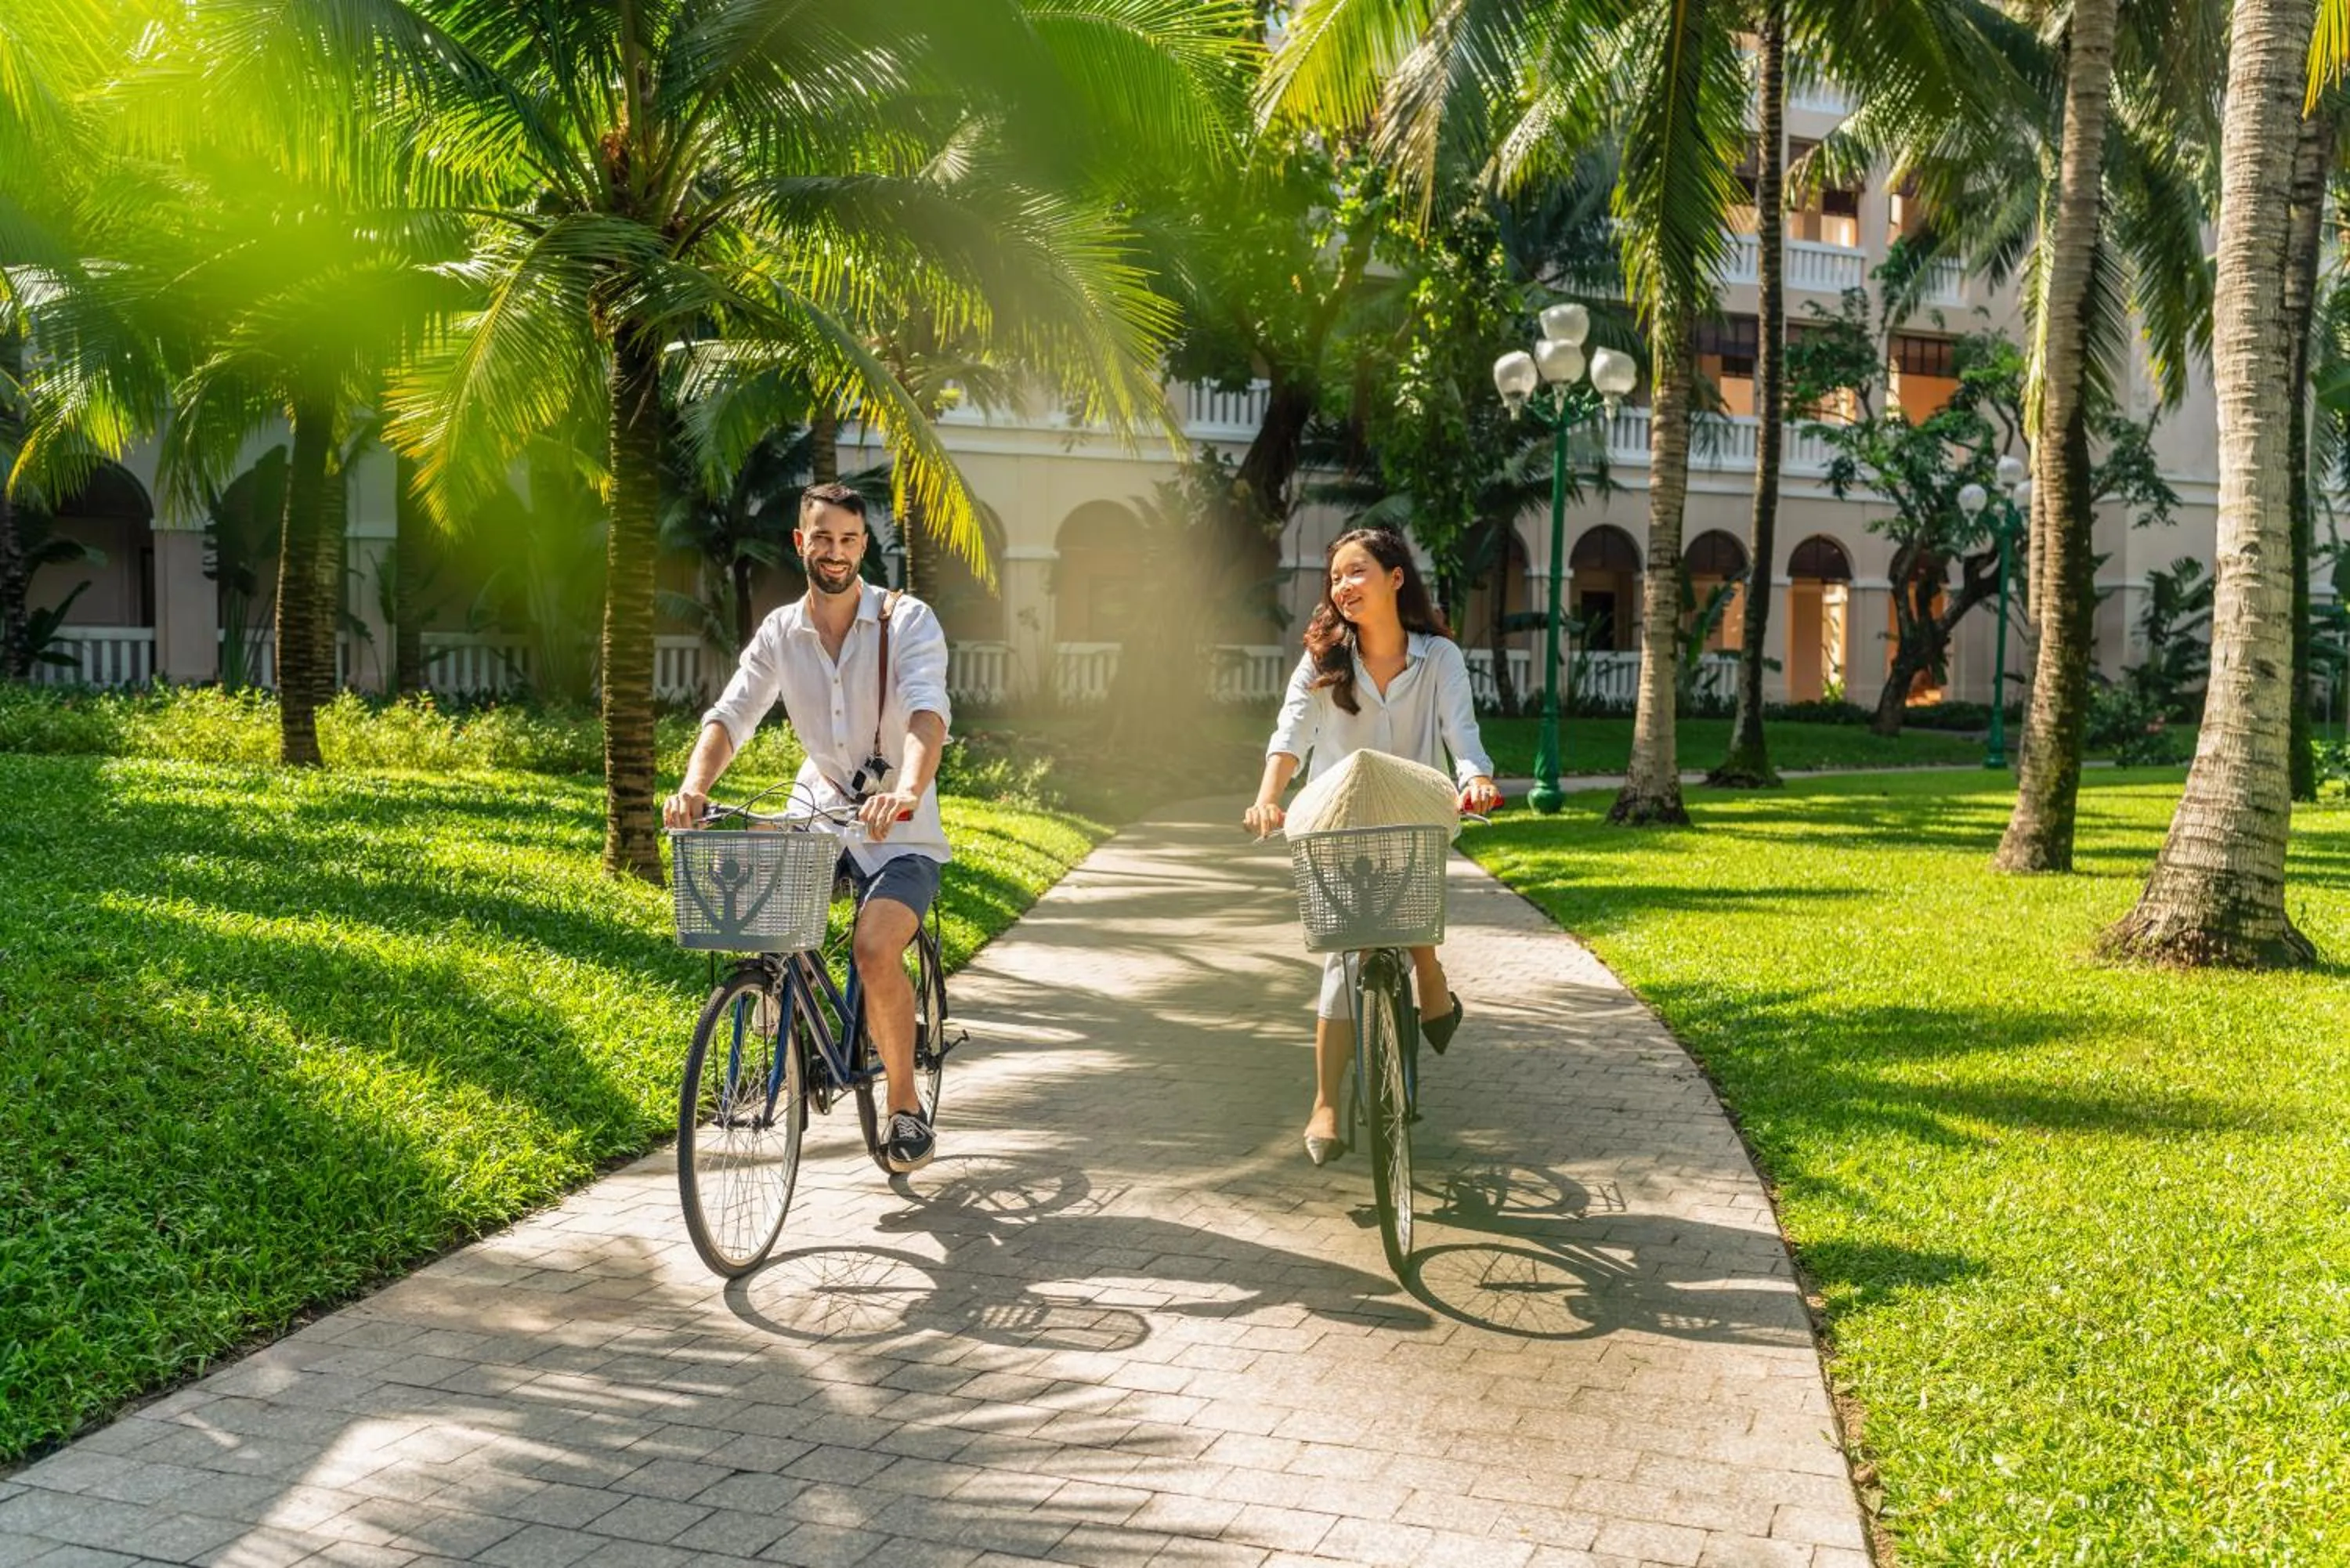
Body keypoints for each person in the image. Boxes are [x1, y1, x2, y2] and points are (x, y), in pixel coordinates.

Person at [663, 482, 953, 1173]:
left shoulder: (906, 621)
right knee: (762, 917)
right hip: (818, 811)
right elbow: (731, 714)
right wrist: (693, 787)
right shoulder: (781, 632)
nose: (835, 552)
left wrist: (907, 791)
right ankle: (781, 1006)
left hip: (898, 826)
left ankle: (905, 1109)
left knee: (875, 948)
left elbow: (925, 715)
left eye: (849, 540)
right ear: (802, 542)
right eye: (822, 538)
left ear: (863, 545)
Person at [1245, 527, 1503, 1166]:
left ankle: (1431, 972)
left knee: (1407, 886)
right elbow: (1291, 735)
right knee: (1342, 958)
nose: (1342, 586)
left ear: (1395, 578)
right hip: (1340, 819)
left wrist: (1477, 779)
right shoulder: (1323, 661)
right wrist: (1268, 797)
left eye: (1356, 571)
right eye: (1335, 578)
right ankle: (1325, 1101)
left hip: (1416, 810)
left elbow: (1461, 733)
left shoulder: (1438, 658)